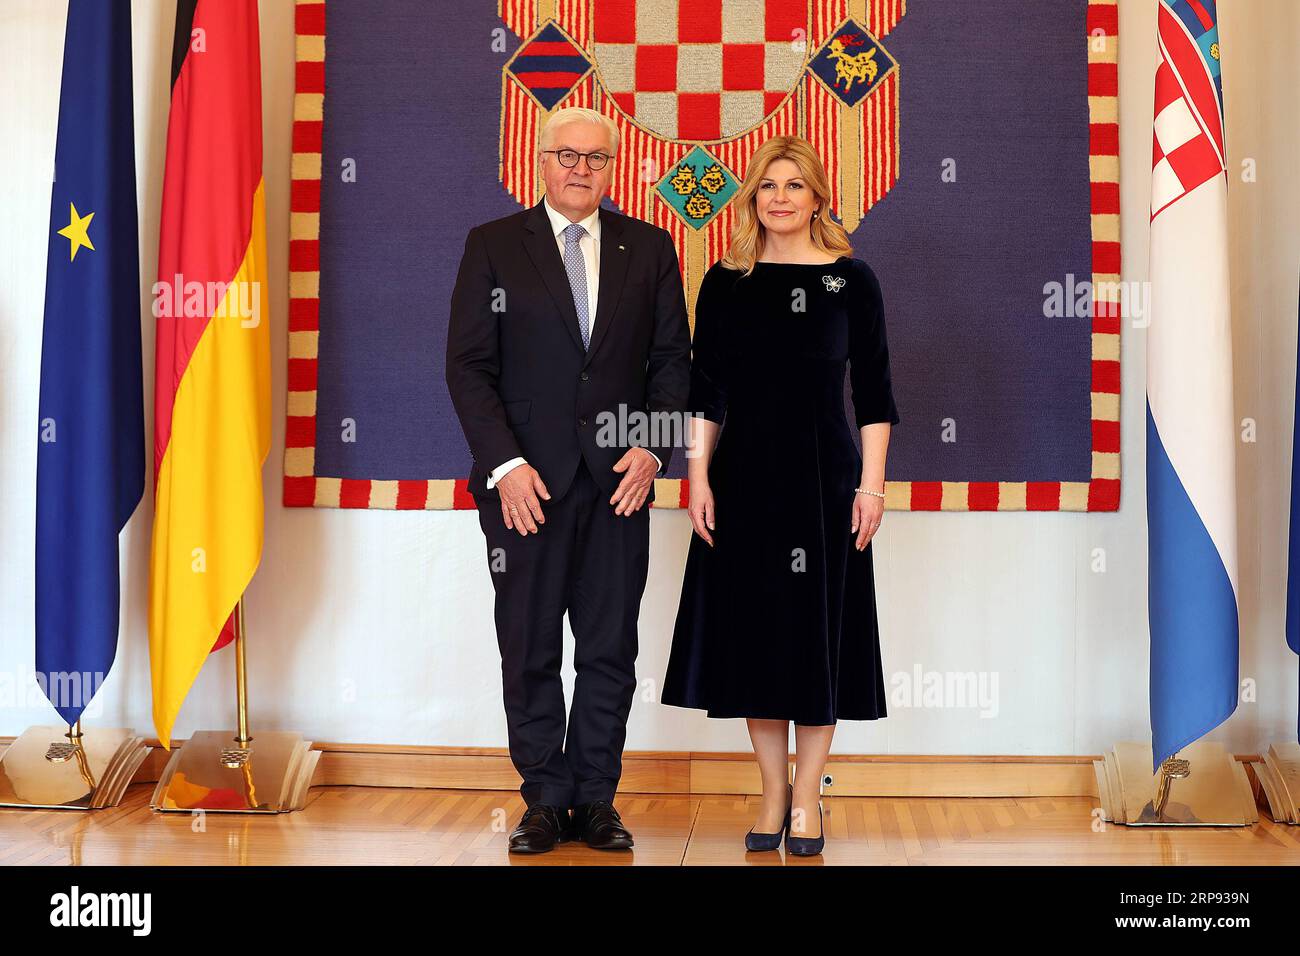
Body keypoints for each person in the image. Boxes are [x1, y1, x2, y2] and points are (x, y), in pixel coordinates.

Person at [446, 107, 692, 854]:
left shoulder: (648, 249)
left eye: (596, 157)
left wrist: (652, 449)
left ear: (614, 166)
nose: (581, 168)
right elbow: (468, 368)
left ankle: (596, 799)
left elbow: (673, 364)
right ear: (541, 161)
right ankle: (545, 800)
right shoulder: (492, 246)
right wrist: (507, 466)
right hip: (525, 488)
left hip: (620, 482)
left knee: (610, 648)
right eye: (566, 155)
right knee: (529, 648)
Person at [661, 135, 900, 857]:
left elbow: (878, 396)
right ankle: (770, 795)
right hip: (745, 485)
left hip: (828, 485)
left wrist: (872, 486)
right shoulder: (724, 283)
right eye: (768, 185)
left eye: (796, 185)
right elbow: (704, 394)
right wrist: (697, 476)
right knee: (758, 644)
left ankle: (807, 801)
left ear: (818, 198)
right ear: (752, 198)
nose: (781, 198)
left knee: (817, 642)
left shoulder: (851, 282)